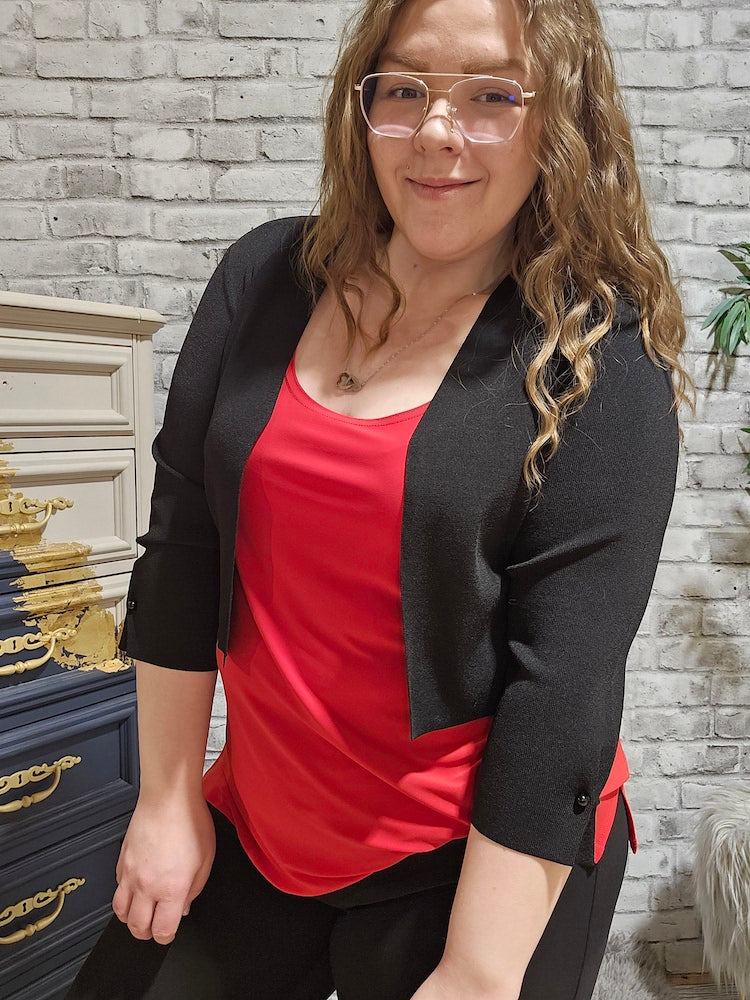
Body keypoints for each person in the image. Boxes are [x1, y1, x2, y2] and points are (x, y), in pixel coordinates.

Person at [65, 0, 695, 997]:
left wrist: (479, 969)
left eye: (492, 95)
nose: (437, 130)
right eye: (405, 89)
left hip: (477, 851)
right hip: (265, 822)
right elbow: (182, 549)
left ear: (559, 118)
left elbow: (564, 687)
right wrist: (167, 801)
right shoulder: (264, 280)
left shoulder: (598, 357)